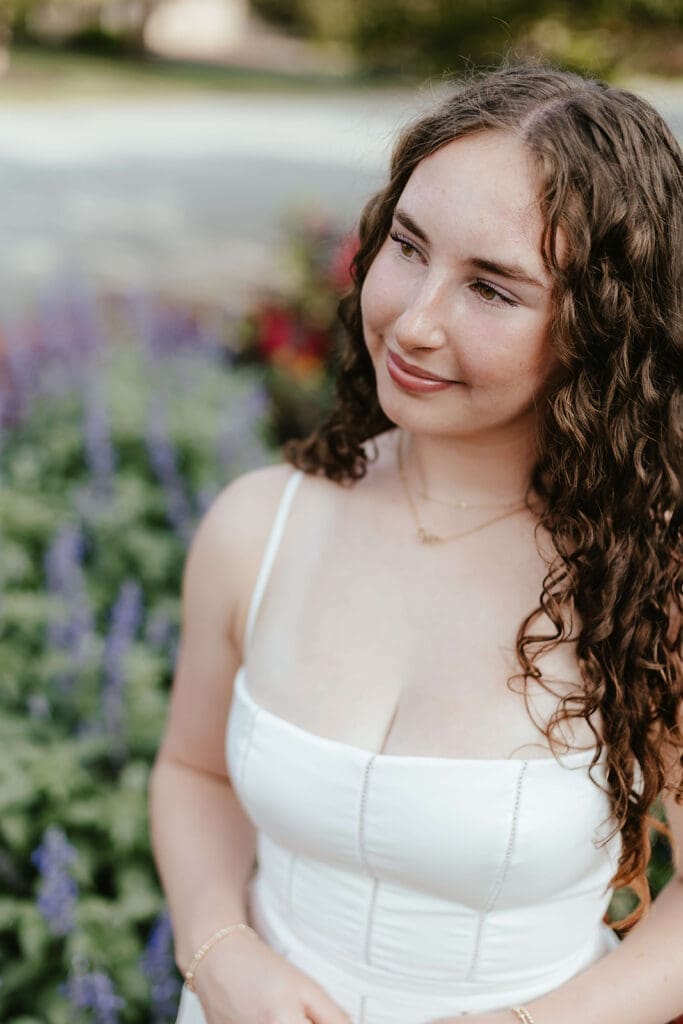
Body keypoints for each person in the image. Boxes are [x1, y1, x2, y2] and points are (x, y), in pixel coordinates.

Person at [149, 63, 683, 1024]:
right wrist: (220, 953)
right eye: (408, 245)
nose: (414, 319)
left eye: (490, 287)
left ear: (598, 331)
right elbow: (194, 771)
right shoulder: (256, 525)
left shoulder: (647, 582)